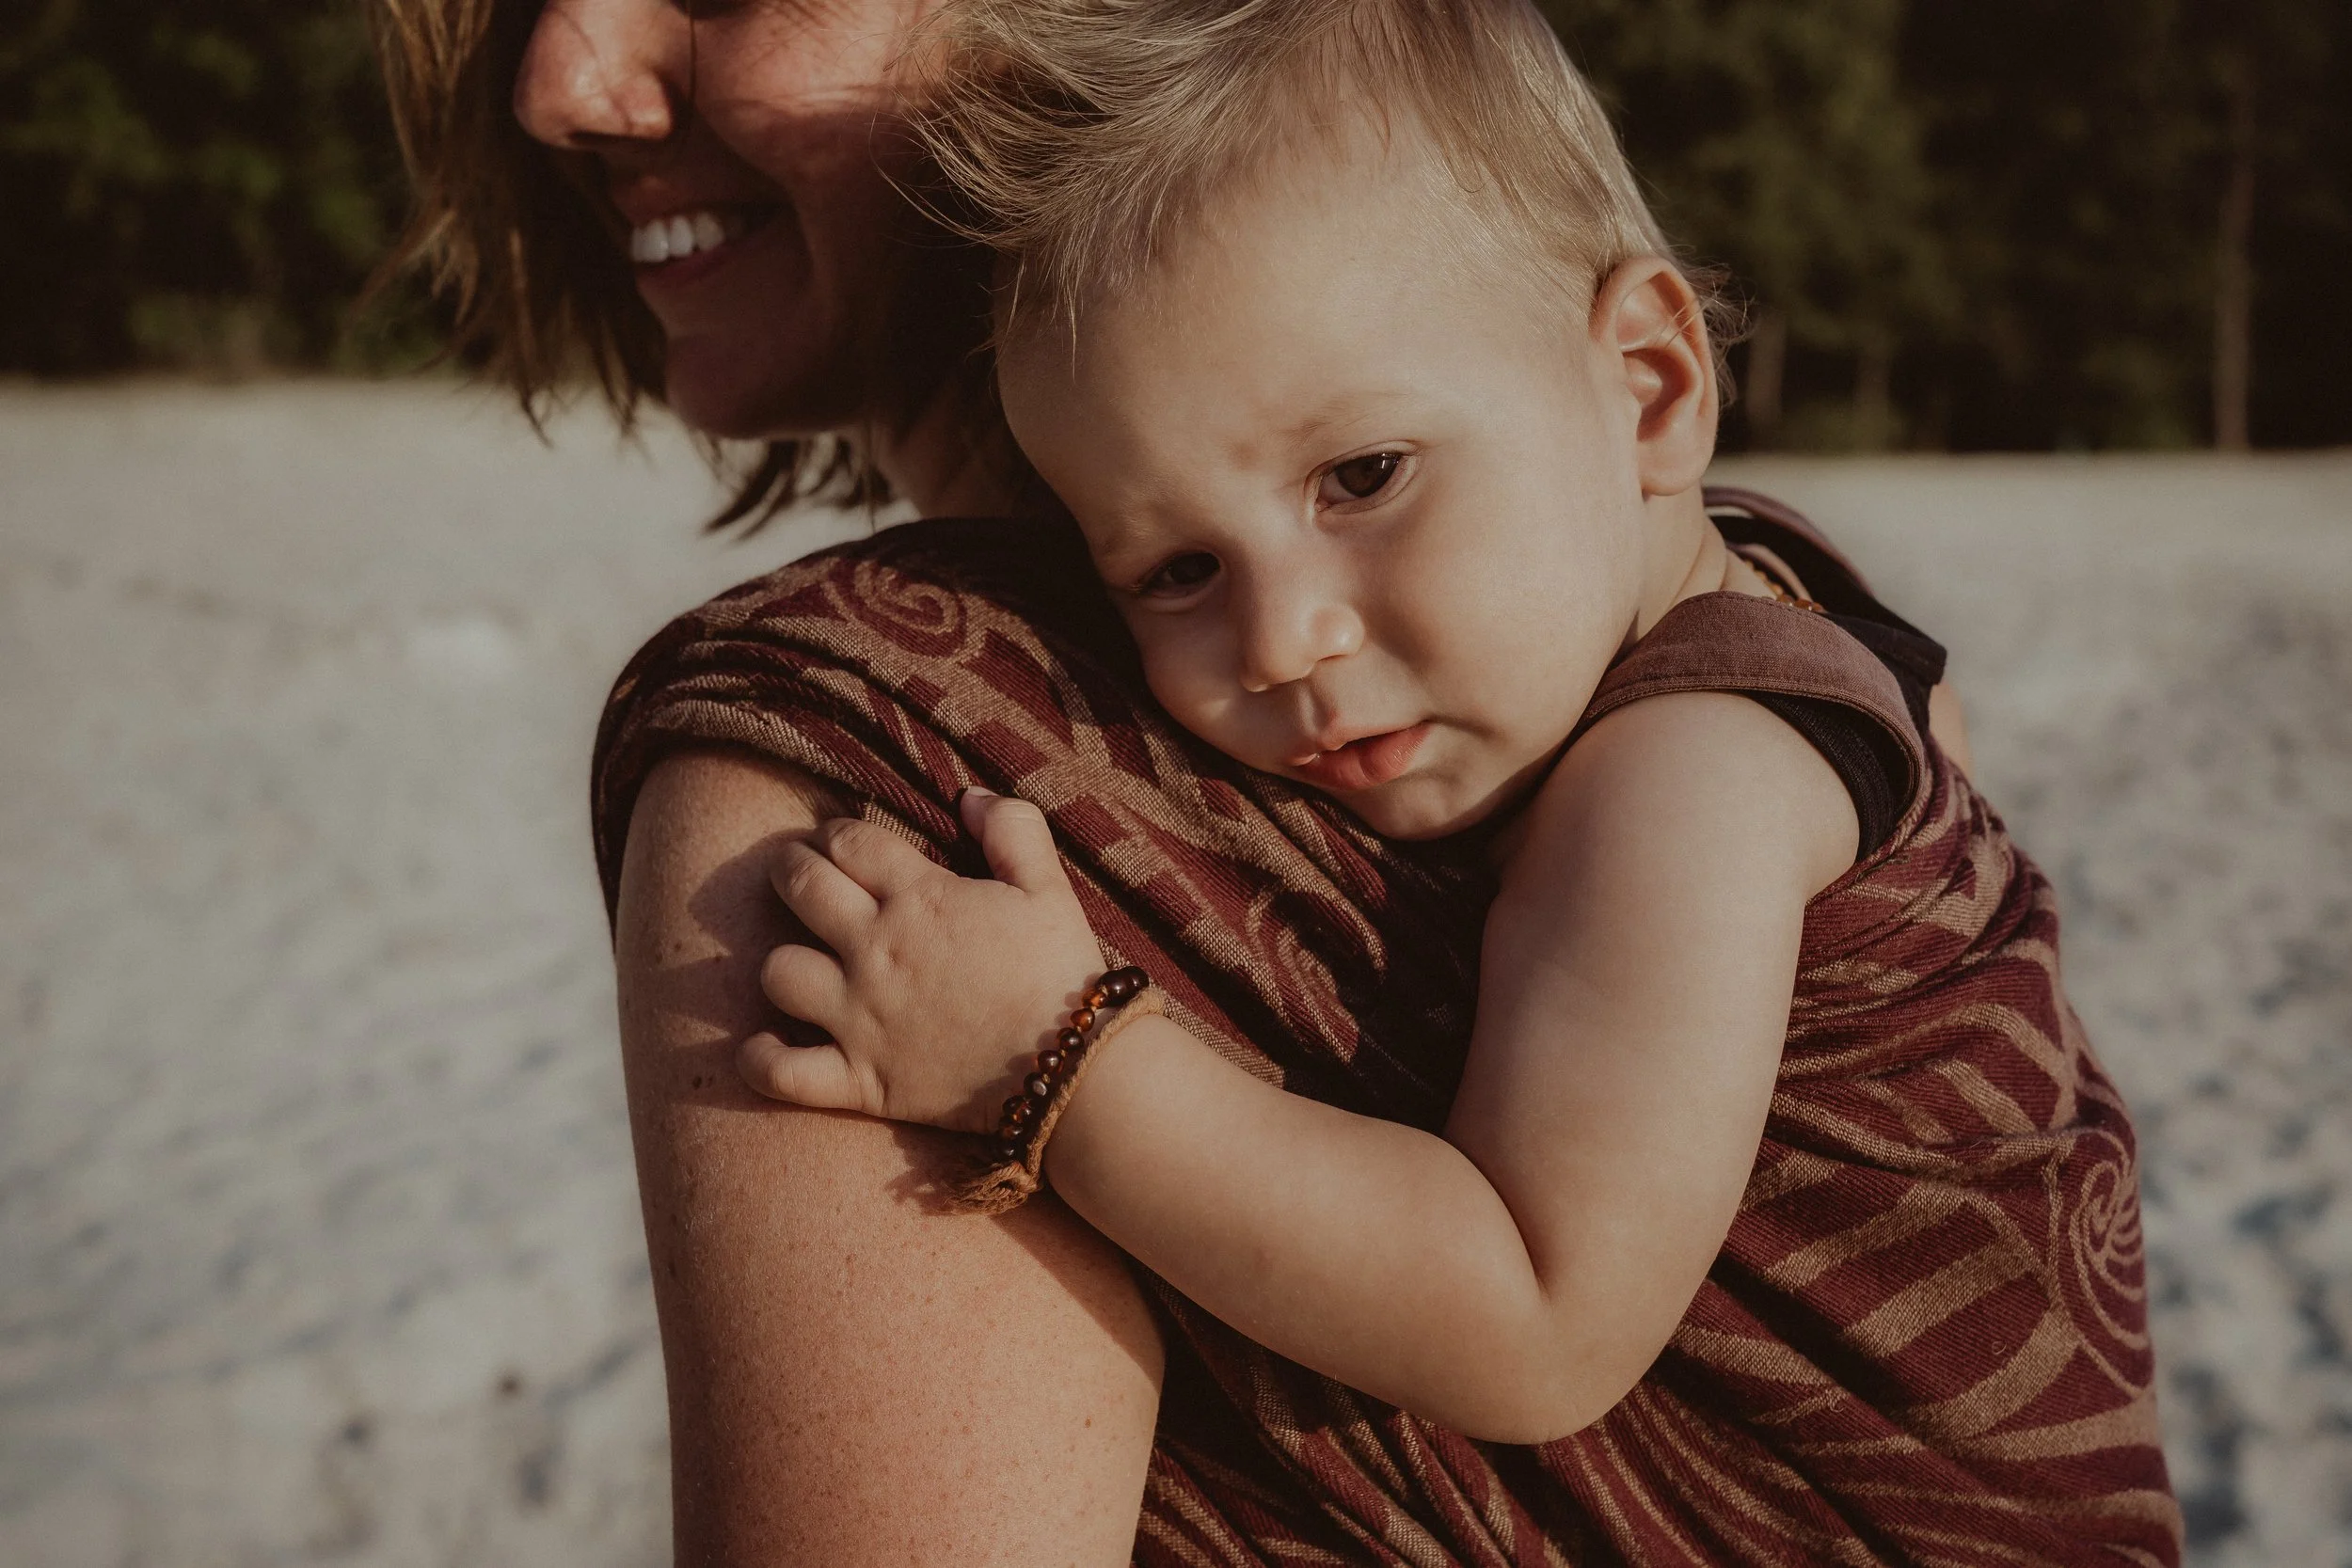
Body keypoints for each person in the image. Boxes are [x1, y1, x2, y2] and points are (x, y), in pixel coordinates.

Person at [373, 0, 2177, 1560]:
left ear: (1649, 385)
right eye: (1166, 572)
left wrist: (1050, 1054)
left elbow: (1539, 1314)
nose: (1287, 637)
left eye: (1366, 474)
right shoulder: (1774, 590)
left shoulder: (1689, 764)